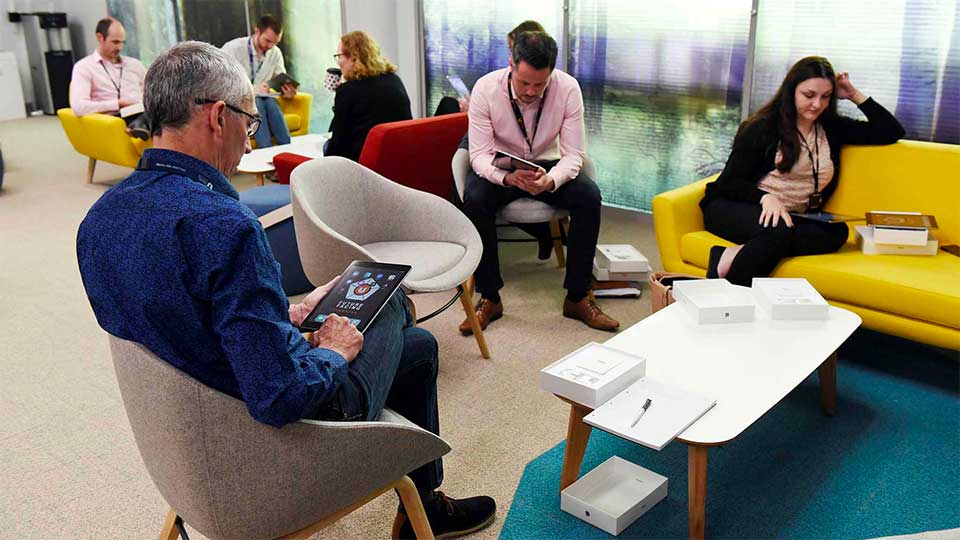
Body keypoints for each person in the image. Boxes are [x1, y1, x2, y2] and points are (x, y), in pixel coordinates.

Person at [76, 41, 495, 540]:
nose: (248, 142)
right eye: (250, 123)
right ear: (218, 117)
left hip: (189, 443)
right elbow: (281, 396)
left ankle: (422, 507)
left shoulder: (99, 220)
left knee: (419, 348)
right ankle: (421, 497)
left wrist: (283, 317)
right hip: (271, 440)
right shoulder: (223, 226)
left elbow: (185, 322)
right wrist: (333, 353)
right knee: (389, 302)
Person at [462, 31, 619, 334]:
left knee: (588, 196)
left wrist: (551, 180)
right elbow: (478, 155)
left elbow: (574, 154)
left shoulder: (567, 88)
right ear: (511, 64)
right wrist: (505, 177)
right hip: (503, 166)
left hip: (548, 166)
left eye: (539, 84)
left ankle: (577, 297)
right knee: (475, 198)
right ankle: (490, 297)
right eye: (524, 83)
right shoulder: (485, 88)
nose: (531, 92)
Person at [700, 56, 905, 285]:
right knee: (777, 231)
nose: (817, 104)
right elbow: (728, 183)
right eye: (809, 95)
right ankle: (729, 292)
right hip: (735, 206)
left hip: (791, 215)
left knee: (836, 233)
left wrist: (852, 94)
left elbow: (891, 131)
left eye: (825, 96)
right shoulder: (762, 127)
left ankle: (730, 254)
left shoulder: (831, 127)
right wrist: (765, 198)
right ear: (791, 91)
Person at [325, 31, 412, 162]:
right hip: (399, 156)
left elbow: (338, 146)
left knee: (326, 147)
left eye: (339, 56)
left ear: (353, 58)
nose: (338, 62)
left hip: (362, 162)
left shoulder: (347, 91)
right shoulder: (394, 80)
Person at [222, 14, 296, 148]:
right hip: (239, 99)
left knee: (270, 102)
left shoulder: (275, 52)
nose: (271, 46)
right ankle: (266, 149)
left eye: (275, 42)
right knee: (258, 103)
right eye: (268, 41)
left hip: (264, 98)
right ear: (257, 31)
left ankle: (287, 148)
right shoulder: (233, 48)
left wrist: (287, 90)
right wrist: (252, 90)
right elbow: (222, 82)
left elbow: (280, 79)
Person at [69, 17, 149, 140]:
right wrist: (118, 104)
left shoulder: (135, 65)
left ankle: (141, 124)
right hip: (111, 119)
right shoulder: (84, 67)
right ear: (100, 38)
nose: (120, 47)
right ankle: (141, 125)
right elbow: (79, 107)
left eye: (122, 42)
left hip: (140, 109)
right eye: (115, 42)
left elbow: (152, 90)